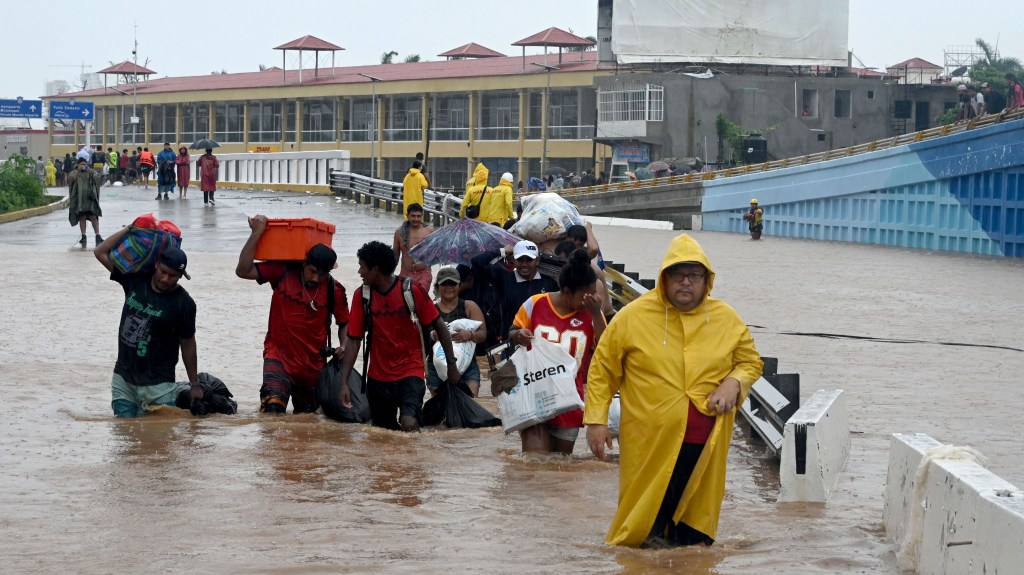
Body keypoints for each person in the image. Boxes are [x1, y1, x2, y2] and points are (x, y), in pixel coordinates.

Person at [584, 233, 763, 548]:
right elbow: (602, 370)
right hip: (648, 446)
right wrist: (596, 421)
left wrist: (734, 382)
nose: (686, 282)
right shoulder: (632, 317)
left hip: (704, 446)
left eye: (694, 275)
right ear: (664, 278)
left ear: (706, 279)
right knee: (641, 534)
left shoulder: (726, 319)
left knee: (694, 540)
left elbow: (750, 362)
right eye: (678, 274)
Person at [338, 241, 461, 431]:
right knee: (382, 433)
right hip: (378, 376)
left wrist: (451, 365)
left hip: (410, 370)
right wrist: (344, 382)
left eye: (362, 266)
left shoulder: (411, 291)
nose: (359, 272)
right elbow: (354, 341)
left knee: (409, 424)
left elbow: (440, 326)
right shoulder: (362, 297)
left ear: (375, 269)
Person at [235, 215, 350, 414]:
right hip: (278, 358)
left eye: (322, 274)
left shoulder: (334, 290)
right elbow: (243, 270)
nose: (316, 278)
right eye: (312, 271)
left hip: (313, 368)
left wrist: (345, 345)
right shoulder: (282, 272)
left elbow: (345, 323)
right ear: (303, 263)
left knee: (306, 423)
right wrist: (256, 234)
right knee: (272, 409)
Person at [94, 232, 200, 418]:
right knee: (125, 440)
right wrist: (131, 229)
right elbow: (100, 252)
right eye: (163, 272)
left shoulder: (184, 303)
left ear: (181, 276)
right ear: (156, 264)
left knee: (159, 443)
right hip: (123, 379)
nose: (165, 279)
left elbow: (188, 343)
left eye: (173, 276)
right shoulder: (134, 280)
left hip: (159, 387)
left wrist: (195, 384)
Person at [509, 250, 605, 455]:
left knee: (559, 465)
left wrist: (597, 314)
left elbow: (607, 350)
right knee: (535, 459)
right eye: (585, 296)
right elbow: (512, 332)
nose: (589, 300)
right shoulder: (535, 304)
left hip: (569, 399)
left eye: (593, 294)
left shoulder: (592, 315)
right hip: (533, 392)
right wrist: (519, 335)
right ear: (568, 291)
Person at [470, 239, 559, 351]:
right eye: (520, 260)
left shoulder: (549, 282)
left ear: (537, 261)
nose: (524, 264)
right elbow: (477, 261)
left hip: (543, 344)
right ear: (513, 260)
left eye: (529, 260)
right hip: (512, 345)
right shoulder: (504, 278)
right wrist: (502, 251)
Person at [426, 266, 486, 397]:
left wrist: (470, 334)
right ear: (437, 287)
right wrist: (431, 336)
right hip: (437, 366)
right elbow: (419, 338)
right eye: (444, 284)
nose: (449, 287)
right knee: (441, 409)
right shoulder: (430, 308)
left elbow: (483, 334)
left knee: (470, 404)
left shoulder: (469, 306)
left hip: (468, 364)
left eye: (452, 283)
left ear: (459, 286)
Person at [392, 202, 434, 293]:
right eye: (413, 216)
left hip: (424, 274)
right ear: (407, 216)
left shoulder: (429, 231)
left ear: (422, 216)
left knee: (419, 300)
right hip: (405, 274)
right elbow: (395, 256)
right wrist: (389, 274)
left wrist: (424, 264)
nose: (416, 219)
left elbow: (435, 254)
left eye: (419, 216)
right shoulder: (399, 232)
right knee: (404, 302)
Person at [67, 158, 103, 247]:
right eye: (82, 164)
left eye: (85, 164)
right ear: (78, 165)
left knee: (94, 217)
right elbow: (70, 179)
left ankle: (97, 235)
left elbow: (98, 179)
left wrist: (91, 173)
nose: (84, 166)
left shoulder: (90, 171)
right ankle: (83, 235)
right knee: (82, 217)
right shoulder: (74, 173)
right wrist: (78, 172)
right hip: (80, 200)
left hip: (90, 199)